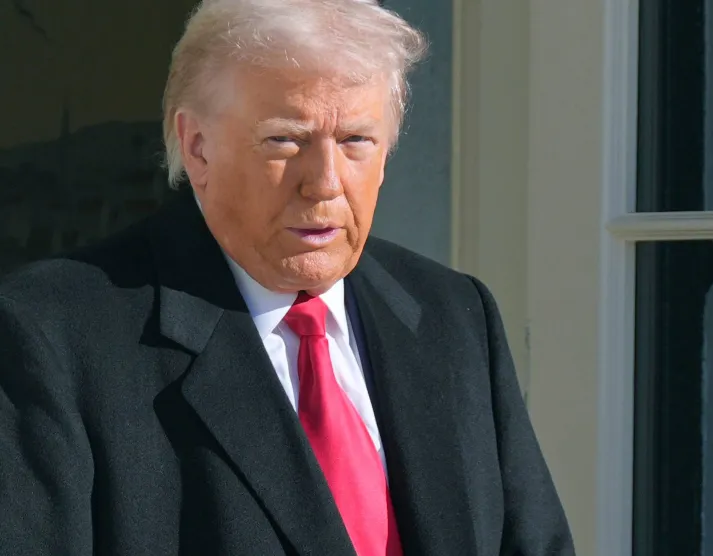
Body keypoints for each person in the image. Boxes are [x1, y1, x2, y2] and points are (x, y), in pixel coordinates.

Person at [0, 0, 574, 554]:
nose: (324, 182)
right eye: (285, 139)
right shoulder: (54, 332)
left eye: (355, 141)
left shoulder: (454, 314)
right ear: (197, 147)